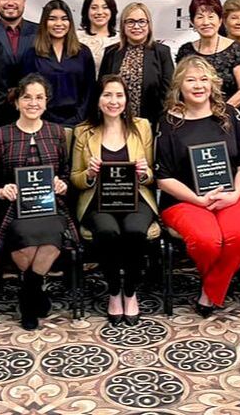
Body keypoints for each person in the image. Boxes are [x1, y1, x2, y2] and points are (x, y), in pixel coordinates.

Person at [155, 56, 240, 317]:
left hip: (230, 195)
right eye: (191, 80)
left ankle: (210, 289)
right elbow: (162, 177)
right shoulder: (168, 122)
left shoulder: (230, 115)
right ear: (180, 85)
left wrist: (234, 194)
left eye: (203, 80)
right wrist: (198, 201)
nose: (198, 86)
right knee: (208, 242)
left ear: (213, 84)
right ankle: (222, 282)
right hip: (185, 200)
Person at [0, 74, 79, 330]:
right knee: (22, 239)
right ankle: (35, 289)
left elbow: (66, 171)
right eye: (27, 97)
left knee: (51, 236)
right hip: (13, 209)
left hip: (51, 208)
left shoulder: (57, 132)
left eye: (39, 97)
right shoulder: (1, 135)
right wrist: (1, 189)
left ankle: (29, 289)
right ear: (17, 102)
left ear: (46, 102)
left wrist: (63, 183)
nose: (33, 103)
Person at [71, 75, 157, 325]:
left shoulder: (142, 127)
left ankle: (130, 292)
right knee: (108, 232)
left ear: (127, 100)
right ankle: (113, 291)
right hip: (97, 200)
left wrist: (144, 173)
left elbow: (153, 173)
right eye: (107, 95)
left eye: (119, 95)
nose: (113, 101)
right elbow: (74, 178)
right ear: (98, 100)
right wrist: (88, 174)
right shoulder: (83, 131)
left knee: (134, 231)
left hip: (136, 198)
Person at [21, 0, 95, 126]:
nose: (59, 23)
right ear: (45, 22)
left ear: (70, 22)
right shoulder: (32, 54)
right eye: (53, 19)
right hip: (43, 122)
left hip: (79, 122)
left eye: (64, 18)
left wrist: (79, 118)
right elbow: (26, 92)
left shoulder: (83, 52)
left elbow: (90, 90)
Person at [98, 2, 174, 126]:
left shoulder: (162, 52)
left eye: (142, 21)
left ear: (149, 24)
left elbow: (168, 92)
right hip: (115, 123)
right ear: (123, 25)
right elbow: (101, 89)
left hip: (151, 123)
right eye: (130, 22)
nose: (136, 26)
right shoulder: (111, 52)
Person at [176, 0, 240, 113]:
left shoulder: (237, 50)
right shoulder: (185, 51)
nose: (206, 22)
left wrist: (217, 112)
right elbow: (179, 88)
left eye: (211, 17)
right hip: (193, 115)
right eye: (200, 17)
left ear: (220, 20)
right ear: (192, 22)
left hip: (227, 116)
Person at [78, 0, 120, 74]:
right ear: (86, 10)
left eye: (105, 7)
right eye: (94, 8)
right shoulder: (75, 38)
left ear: (112, 10)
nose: (100, 12)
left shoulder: (121, 39)